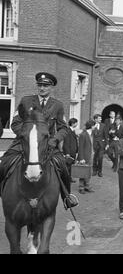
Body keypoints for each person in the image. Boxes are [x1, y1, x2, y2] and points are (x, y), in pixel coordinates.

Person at [0, 72, 77, 208]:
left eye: (46, 86)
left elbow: (64, 128)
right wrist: (26, 136)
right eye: (40, 85)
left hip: (48, 145)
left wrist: (54, 140)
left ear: (51, 87)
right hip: (24, 144)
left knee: (63, 167)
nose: (42, 88)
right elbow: (15, 123)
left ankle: (67, 197)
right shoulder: (26, 101)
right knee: (5, 162)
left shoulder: (57, 105)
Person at [78, 120, 96, 194]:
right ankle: (81, 187)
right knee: (83, 172)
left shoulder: (92, 134)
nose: (95, 127)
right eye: (94, 125)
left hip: (91, 156)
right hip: (85, 157)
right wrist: (81, 158)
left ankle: (87, 186)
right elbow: (80, 147)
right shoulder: (83, 134)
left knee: (88, 172)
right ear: (91, 126)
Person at [62, 118, 79, 183]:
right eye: (76, 122)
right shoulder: (68, 131)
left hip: (73, 152)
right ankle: (66, 179)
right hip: (69, 152)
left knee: (70, 166)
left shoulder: (72, 131)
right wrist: (67, 153)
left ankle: (69, 178)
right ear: (73, 123)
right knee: (67, 167)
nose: (77, 124)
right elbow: (66, 143)